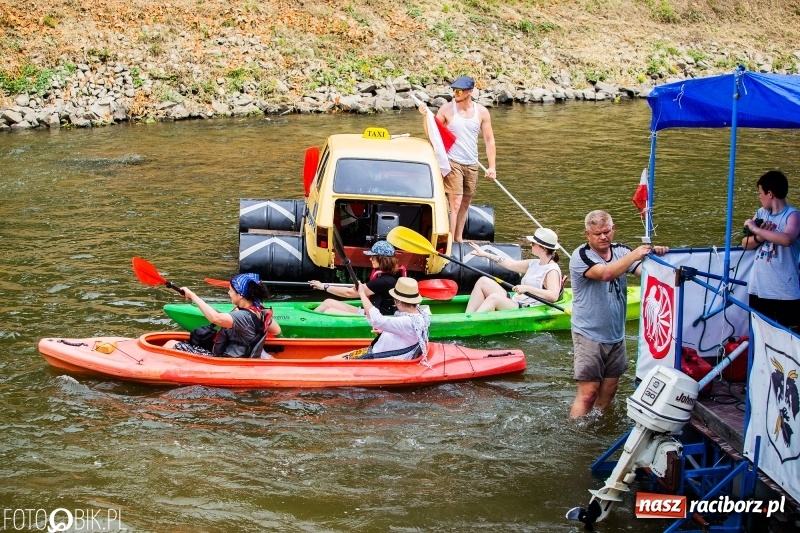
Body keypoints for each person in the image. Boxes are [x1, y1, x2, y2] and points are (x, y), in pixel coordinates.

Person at [569, 210, 669, 418]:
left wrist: (657, 257)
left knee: (610, 388)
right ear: (587, 234)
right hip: (588, 332)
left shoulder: (622, 251)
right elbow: (606, 273)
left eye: (607, 232)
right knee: (588, 393)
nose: (603, 237)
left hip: (616, 333)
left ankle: (597, 424)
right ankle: (576, 430)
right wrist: (636, 253)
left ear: (613, 230)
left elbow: (646, 272)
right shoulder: (581, 256)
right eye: (597, 234)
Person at [418, 75, 497, 242]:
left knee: (466, 203)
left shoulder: (482, 112)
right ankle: (451, 241)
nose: (456, 93)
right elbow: (432, 133)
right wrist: (425, 117)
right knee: (455, 203)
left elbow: (489, 140)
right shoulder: (446, 109)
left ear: (470, 91)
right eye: (454, 90)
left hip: (472, 163)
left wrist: (492, 166)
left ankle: (459, 238)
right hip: (452, 161)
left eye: (460, 90)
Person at [166, 273, 281, 357]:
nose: (228, 293)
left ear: (240, 294)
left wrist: (192, 296)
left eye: (230, 290)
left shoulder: (243, 316)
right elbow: (276, 330)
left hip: (226, 360)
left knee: (171, 344)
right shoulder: (260, 311)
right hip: (240, 355)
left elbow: (215, 318)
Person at [741, 170, 800, 331]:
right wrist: (759, 238)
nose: (759, 197)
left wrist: (758, 230)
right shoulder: (761, 213)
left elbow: (787, 239)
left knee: (789, 337)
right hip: (759, 288)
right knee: (759, 333)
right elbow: (745, 243)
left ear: (770, 193)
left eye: (760, 193)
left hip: (784, 291)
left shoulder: (793, 215)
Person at [465, 228, 563, 312]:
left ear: (543, 248)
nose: (530, 245)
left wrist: (527, 288)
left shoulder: (552, 270)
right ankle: (467, 316)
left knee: (494, 298)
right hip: (516, 300)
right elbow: (511, 264)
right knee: (483, 281)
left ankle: (469, 324)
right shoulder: (534, 263)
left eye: (533, 243)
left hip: (526, 307)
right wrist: (485, 254)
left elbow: (553, 295)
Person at [331, 277, 431, 361]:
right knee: (330, 359)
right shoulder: (421, 314)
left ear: (399, 302)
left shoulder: (408, 321)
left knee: (328, 361)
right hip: (377, 353)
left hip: (377, 359)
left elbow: (377, 320)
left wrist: (362, 293)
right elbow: (405, 333)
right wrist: (385, 331)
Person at [309, 240, 402, 315]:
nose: (370, 259)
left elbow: (349, 293)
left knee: (329, 312)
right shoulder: (386, 276)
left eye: (373, 257)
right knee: (328, 302)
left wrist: (324, 287)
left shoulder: (385, 281)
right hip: (369, 311)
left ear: (382, 259)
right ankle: (310, 321)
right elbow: (364, 289)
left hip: (377, 318)